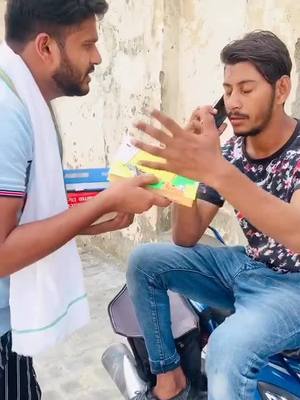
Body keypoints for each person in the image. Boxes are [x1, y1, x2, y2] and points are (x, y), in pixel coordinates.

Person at [0, 1, 169, 398]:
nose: (97, 56)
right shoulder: (8, 113)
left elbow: (26, 214)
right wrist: (103, 201)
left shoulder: (21, 97)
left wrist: (100, 216)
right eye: (87, 44)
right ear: (46, 47)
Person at [127, 30, 300, 400]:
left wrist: (216, 169)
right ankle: (169, 378)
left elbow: (296, 233)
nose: (233, 102)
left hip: (294, 287)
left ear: (281, 89)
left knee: (226, 348)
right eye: (227, 89)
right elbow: (184, 237)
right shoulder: (232, 153)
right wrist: (190, 170)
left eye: (246, 89)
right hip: (248, 267)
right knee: (145, 261)